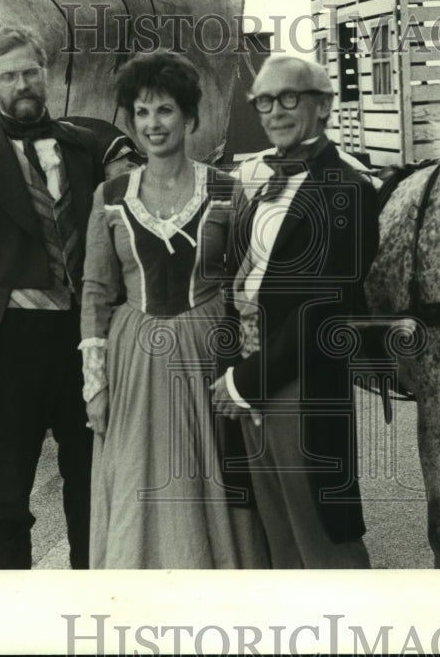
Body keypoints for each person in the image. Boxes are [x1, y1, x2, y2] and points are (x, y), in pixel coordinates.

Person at [80, 51, 268, 568]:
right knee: (138, 472)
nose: (152, 124)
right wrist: (95, 385)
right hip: (134, 356)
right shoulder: (110, 195)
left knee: (210, 473)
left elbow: (248, 288)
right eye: (141, 112)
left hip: (208, 351)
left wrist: (247, 375)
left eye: (164, 110)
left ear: (189, 118)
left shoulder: (228, 192)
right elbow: (96, 291)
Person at [0, 26, 102, 569]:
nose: (22, 84)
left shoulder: (84, 148)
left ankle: (91, 596)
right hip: (9, 348)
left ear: (45, 74)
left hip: (83, 342)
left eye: (30, 71)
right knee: (4, 497)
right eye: (8, 76)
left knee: (91, 485)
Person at [210, 54, 380, 568]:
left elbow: (323, 310)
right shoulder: (260, 181)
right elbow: (239, 279)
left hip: (300, 385)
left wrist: (245, 382)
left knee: (323, 540)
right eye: (264, 100)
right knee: (277, 536)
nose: (275, 112)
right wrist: (232, 368)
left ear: (324, 105)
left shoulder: (347, 188)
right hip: (251, 371)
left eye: (289, 97)